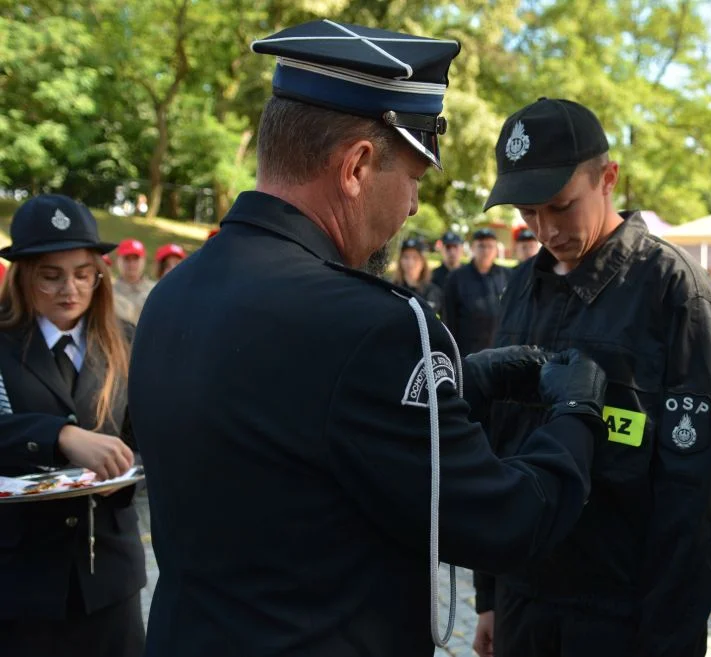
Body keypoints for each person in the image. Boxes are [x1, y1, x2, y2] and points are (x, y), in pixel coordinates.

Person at [128, 20, 609, 657]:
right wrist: (575, 412)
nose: (412, 207)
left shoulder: (175, 293)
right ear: (356, 166)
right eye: (413, 176)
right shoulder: (376, 326)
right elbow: (505, 522)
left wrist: (459, 383)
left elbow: (286, 430)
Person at [472, 98, 711, 657]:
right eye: (528, 213)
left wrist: (667, 635)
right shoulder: (522, 285)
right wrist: (489, 594)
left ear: (608, 178)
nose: (546, 229)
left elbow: (702, 493)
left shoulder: (675, 293)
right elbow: (497, 446)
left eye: (560, 206)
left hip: (620, 617)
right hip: (525, 602)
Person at [0, 194, 145, 657]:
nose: (71, 289)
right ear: (22, 277)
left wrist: (122, 472)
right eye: (51, 276)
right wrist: (58, 436)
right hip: (22, 581)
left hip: (109, 579)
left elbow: (150, 437)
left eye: (84, 274)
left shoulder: (126, 342)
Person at [442, 227, 510, 355]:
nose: (486, 251)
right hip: (467, 352)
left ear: (496, 250)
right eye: (481, 246)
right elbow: (449, 319)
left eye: (490, 246)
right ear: (472, 248)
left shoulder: (507, 276)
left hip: (500, 352)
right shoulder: (456, 278)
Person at [393, 236, 442, 315]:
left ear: (423, 262)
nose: (410, 263)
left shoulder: (433, 292)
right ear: (400, 260)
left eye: (415, 258)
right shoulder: (392, 289)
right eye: (406, 257)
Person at [113, 238, 154, 322]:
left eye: (136, 259)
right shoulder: (109, 292)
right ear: (118, 261)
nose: (131, 264)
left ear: (143, 260)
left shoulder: (155, 290)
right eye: (127, 259)